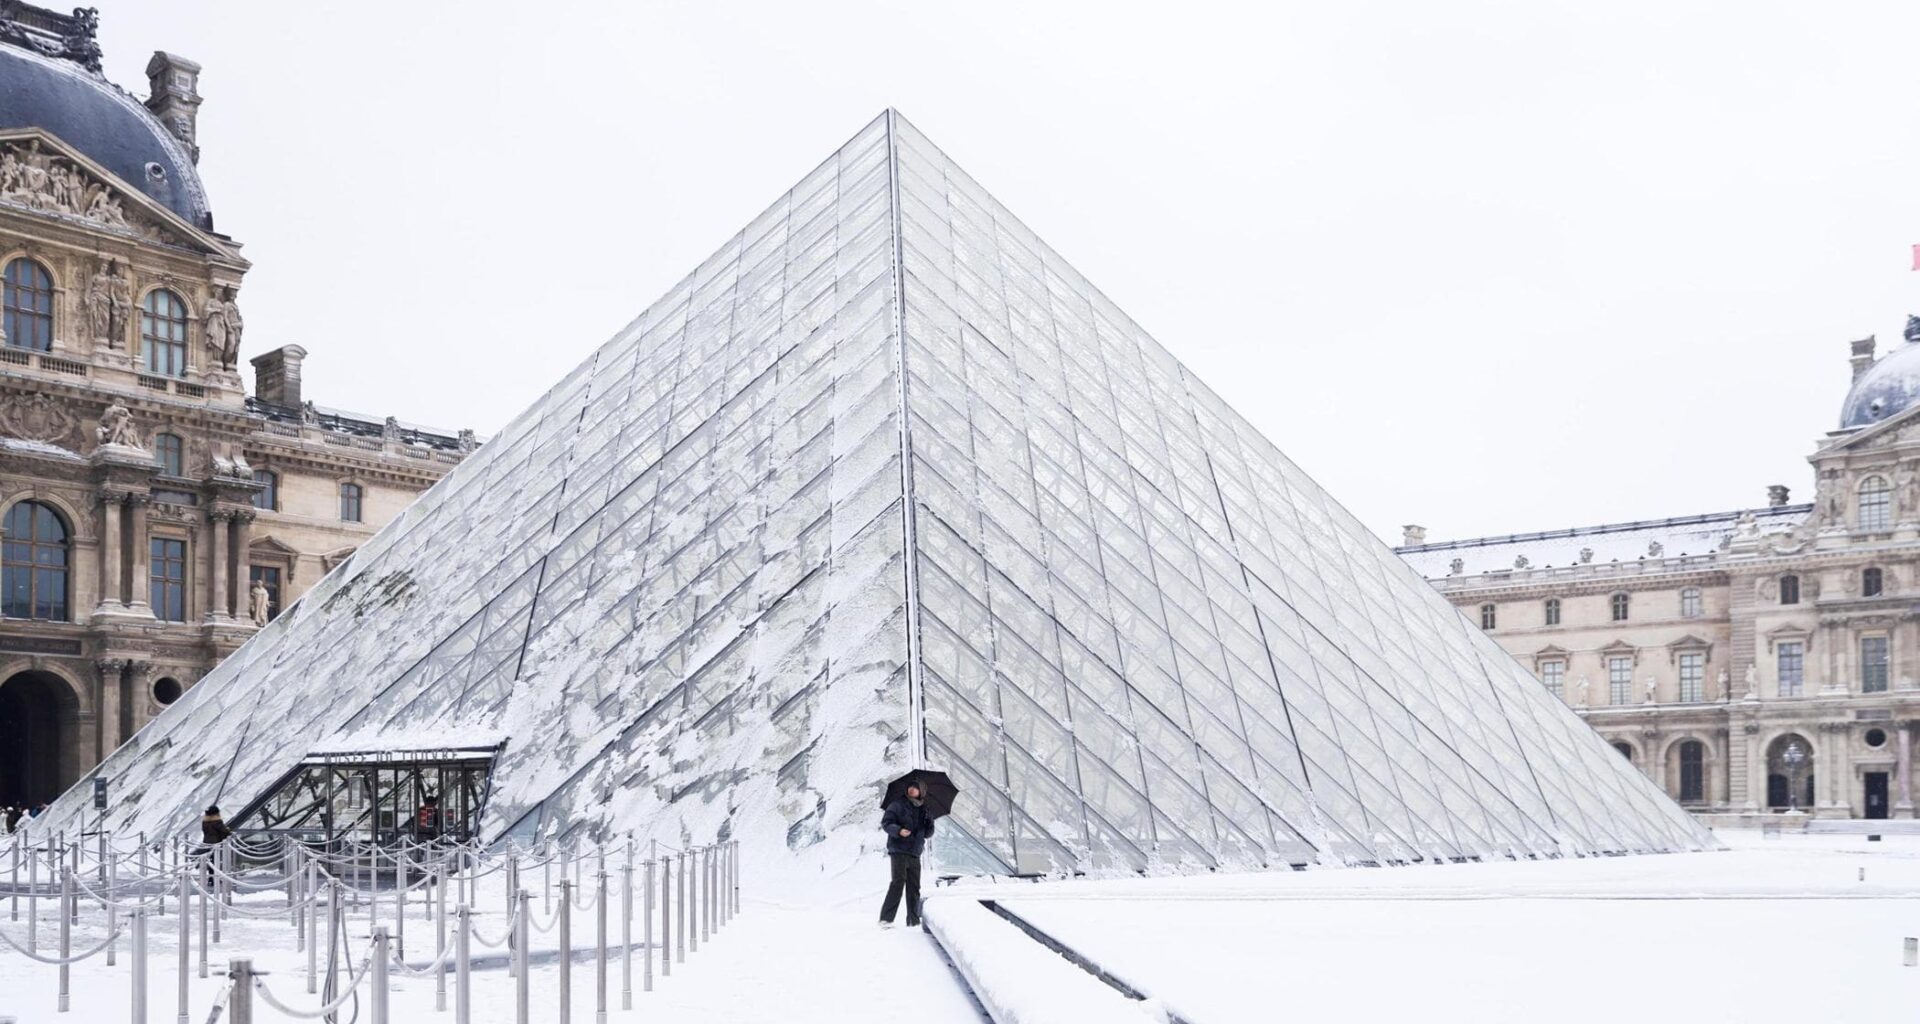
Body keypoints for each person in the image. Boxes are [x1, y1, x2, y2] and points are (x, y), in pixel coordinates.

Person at [878, 782, 935, 929]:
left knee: (914, 887)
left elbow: (928, 833)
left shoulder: (925, 809)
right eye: (910, 786)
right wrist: (898, 831)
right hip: (899, 849)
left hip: (915, 852)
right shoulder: (897, 804)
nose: (912, 789)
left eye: (916, 787)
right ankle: (886, 919)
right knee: (898, 882)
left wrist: (930, 821)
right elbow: (886, 822)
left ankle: (913, 921)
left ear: (921, 791)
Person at [198, 804, 232, 883]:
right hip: (216, 843)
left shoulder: (205, 821)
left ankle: (211, 878)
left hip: (206, 842)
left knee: (210, 861)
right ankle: (215, 878)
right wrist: (228, 830)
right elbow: (224, 831)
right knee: (216, 861)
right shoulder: (217, 821)